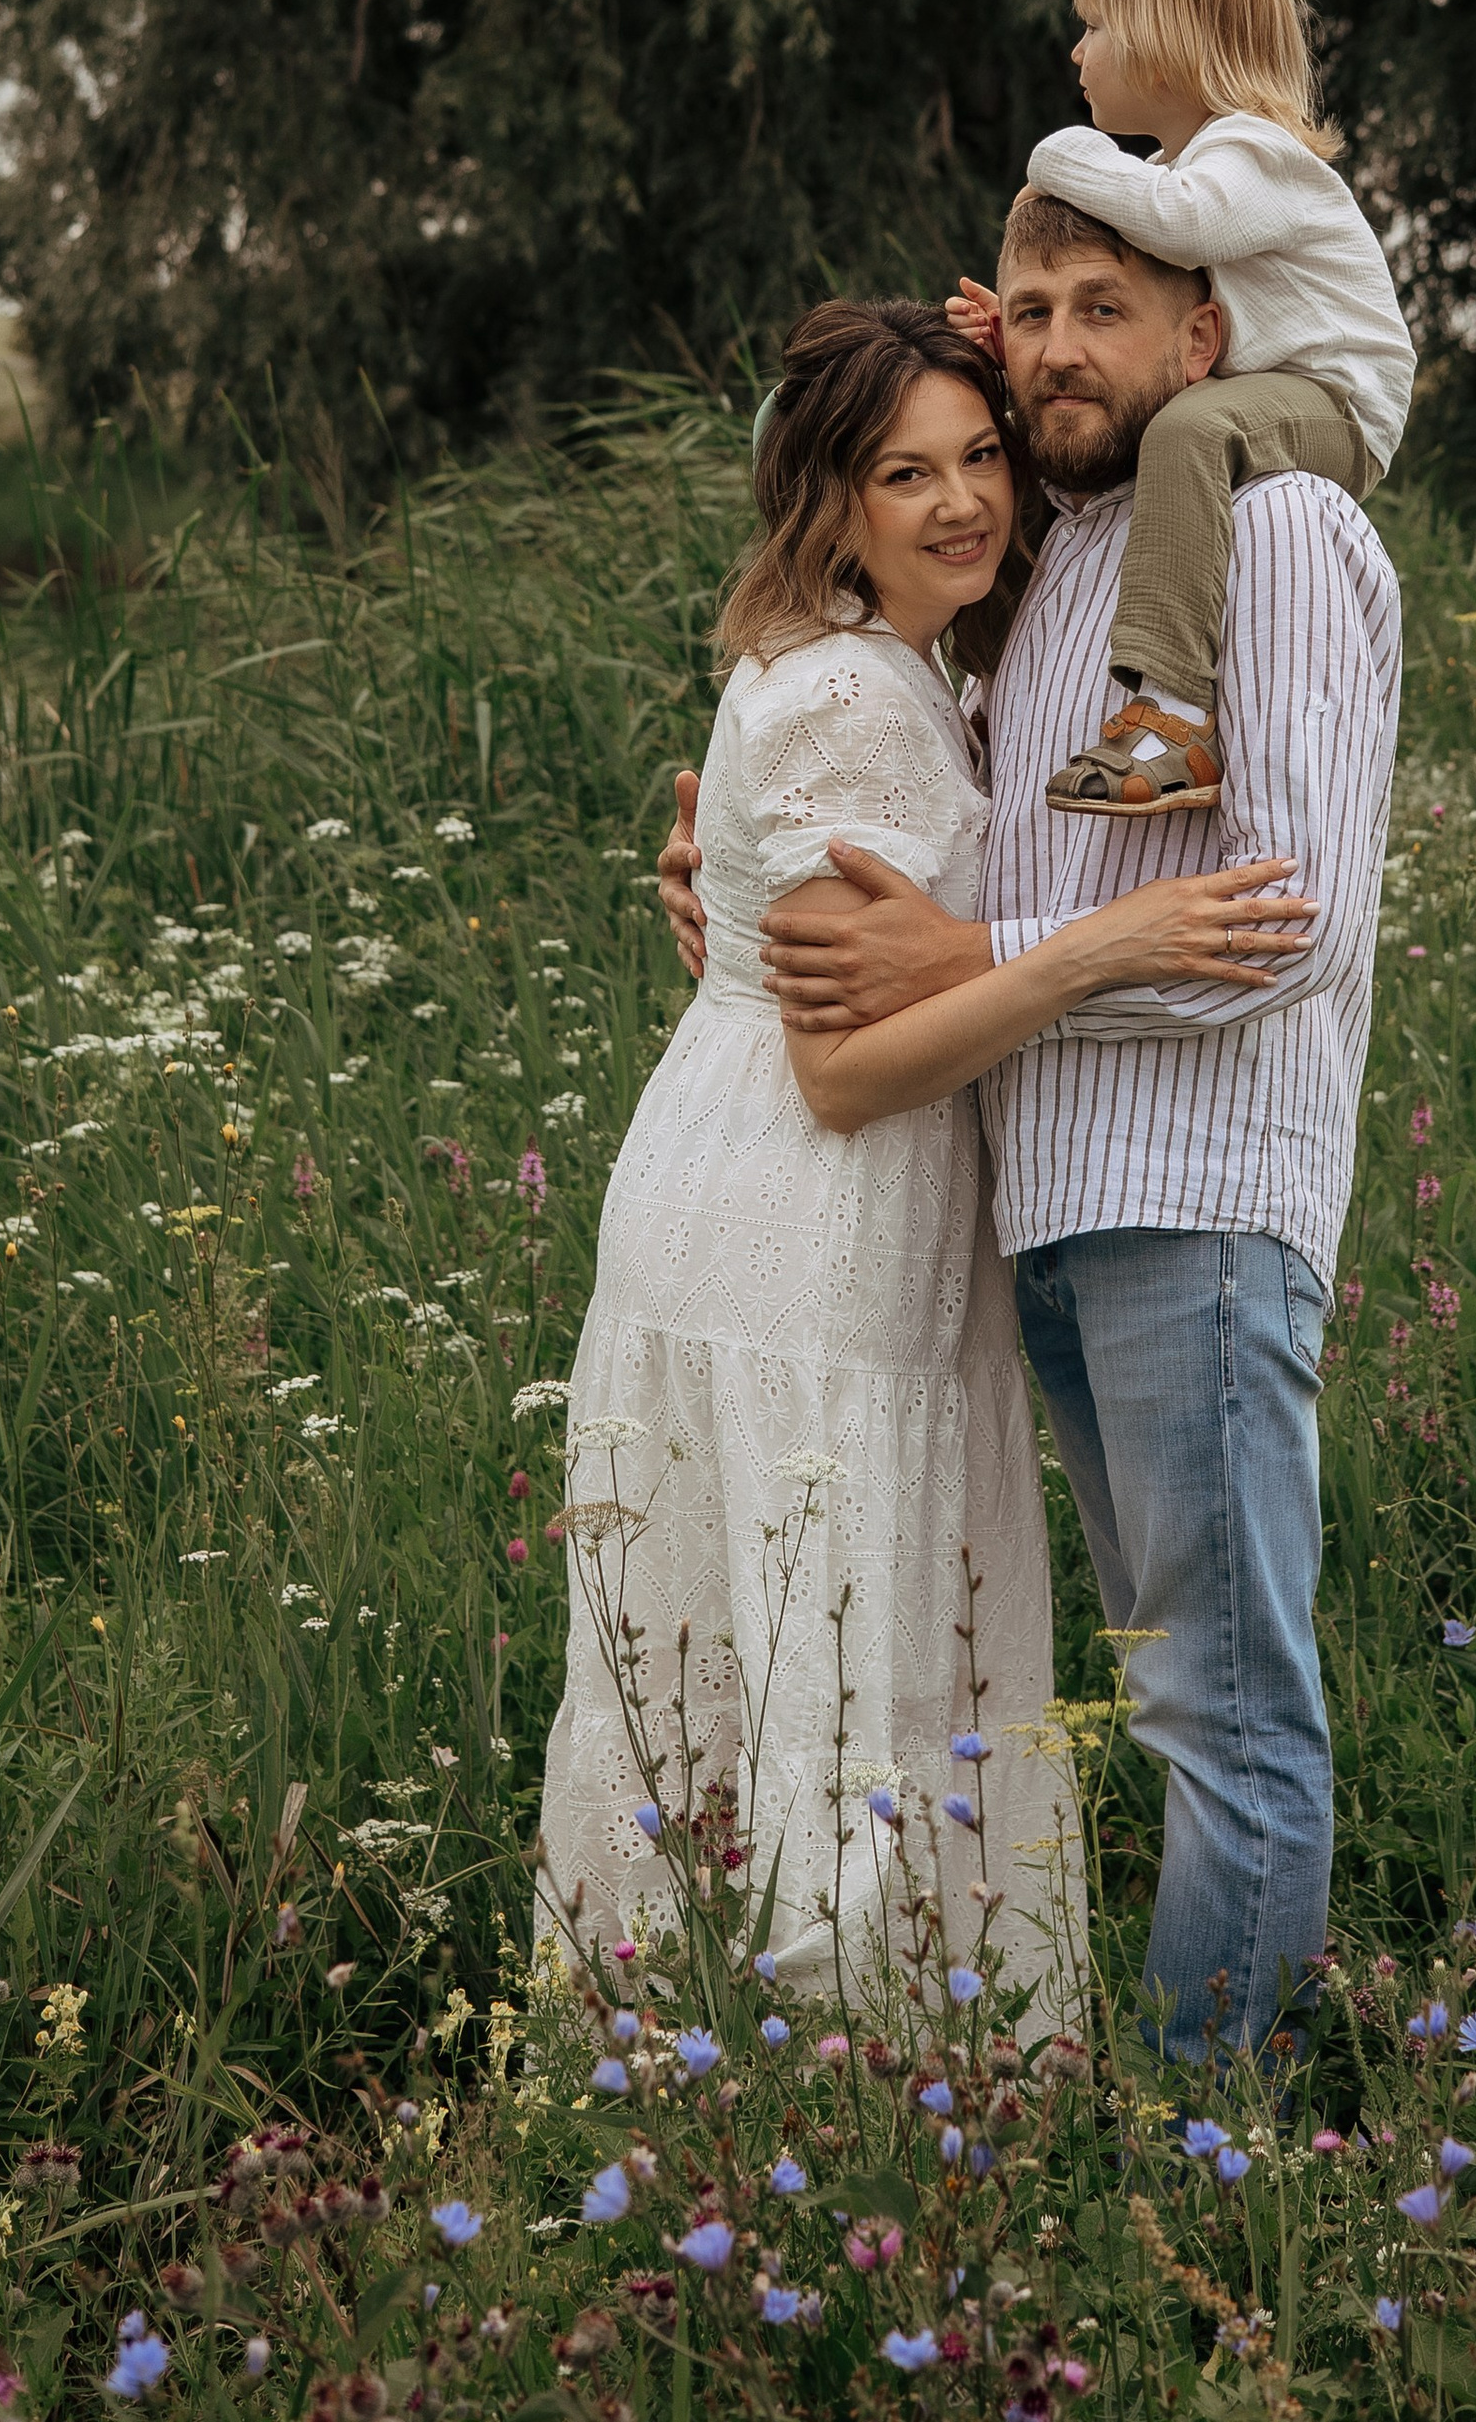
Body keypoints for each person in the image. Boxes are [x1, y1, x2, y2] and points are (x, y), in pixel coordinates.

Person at [663, 198, 1402, 2070]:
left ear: (1206, 336)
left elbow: (1280, 917)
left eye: (1110, 309)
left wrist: (987, 949)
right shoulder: (1061, 568)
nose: (1059, 348)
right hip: (1038, 1202)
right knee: (1150, 1687)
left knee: (1219, 1707)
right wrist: (730, 881)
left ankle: (1213, 2166)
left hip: (1193, 1195)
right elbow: (932, 862)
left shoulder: (1271, 526)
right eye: (1038, 316)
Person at [535, 295, 1314, 2013]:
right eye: (908, 473)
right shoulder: (854, 702)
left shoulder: (885, 661)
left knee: (782, 1652)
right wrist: (1094, 951)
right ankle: (826, 2098)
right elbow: (844, 1073)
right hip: (801, 1218)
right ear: (832, 500)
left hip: (793, 1205)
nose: (962, 499)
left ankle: (733, 2078)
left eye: (980, 456)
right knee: (829, 1656)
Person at [950, 0, 1412, 817]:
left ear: (1172, 38)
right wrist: (1028, 332)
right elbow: (1158, 314)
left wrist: (1056, 152)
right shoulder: (1195, 165)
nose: (1077, 53)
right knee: (1067, 452)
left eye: (1096, 26)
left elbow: (1184, 222)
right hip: (1276, 388)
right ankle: (1001, 692)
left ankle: (1174, 716)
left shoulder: (1253, 152)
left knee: (1188, 430)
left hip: (1340, 403)